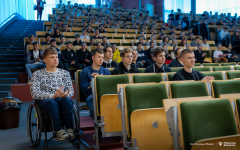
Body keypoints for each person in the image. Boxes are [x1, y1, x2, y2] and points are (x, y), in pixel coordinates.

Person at [30, 47, 75, 140]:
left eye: (56, 57)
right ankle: (58, 130)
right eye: (52, 57)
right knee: (52, 102)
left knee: (67, 100)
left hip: (61, 98)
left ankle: (70, 128)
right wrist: (52, 96)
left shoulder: (65, 73)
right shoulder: (37, 74)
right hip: (45, 100)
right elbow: (35, 93)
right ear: (45, 60)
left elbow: (71, 90)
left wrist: (66, 94)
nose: (55, 59)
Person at [80, 49, 111, 118]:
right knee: (93, 101)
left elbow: (110, 87)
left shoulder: (106, 71)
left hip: (105, 95)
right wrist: (93, 81)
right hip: (92, 95)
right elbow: (84, 90)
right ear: (93, 58)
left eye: (102, 57)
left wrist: (102, 80)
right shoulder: (85, 71)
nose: (101, 59)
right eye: (99, 57)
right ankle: (99, 125)